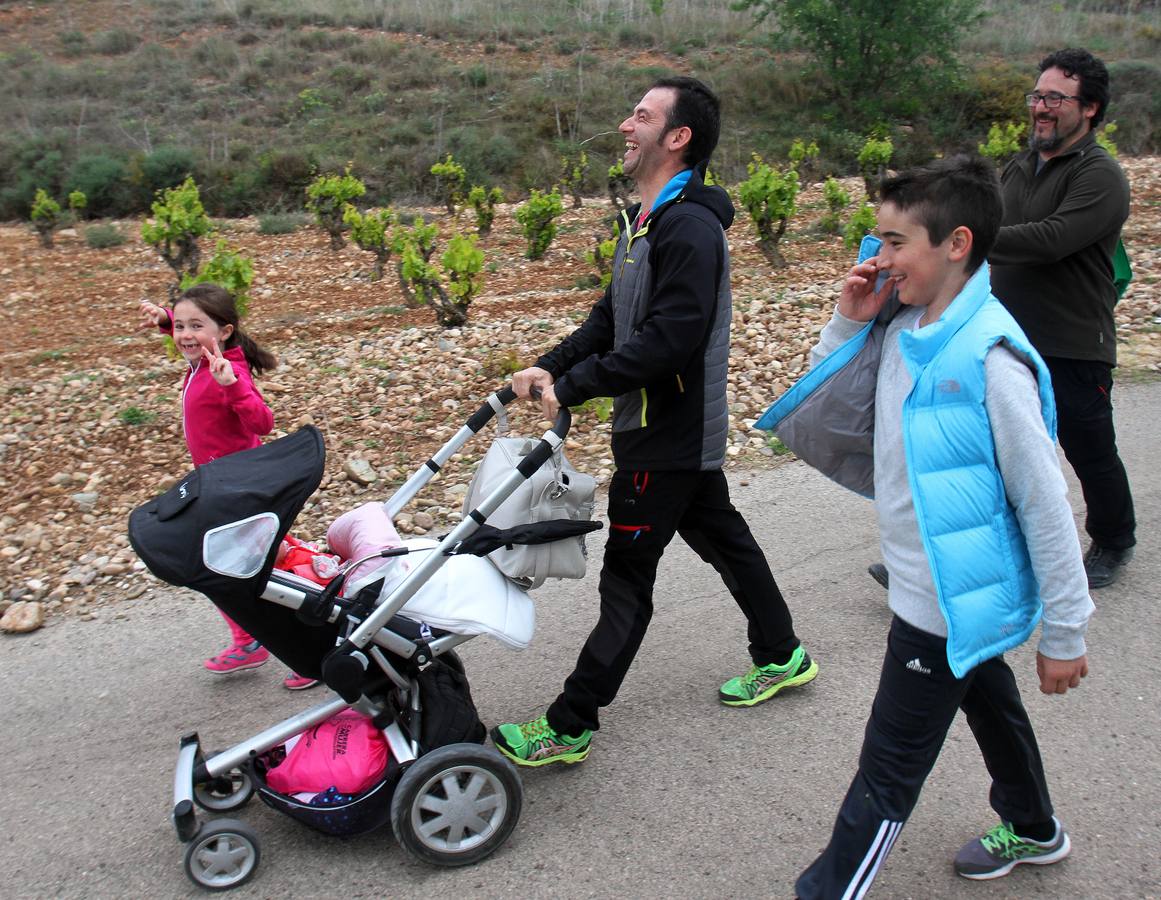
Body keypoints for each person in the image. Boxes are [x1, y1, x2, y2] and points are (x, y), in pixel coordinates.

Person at [759, 157, 1093, 896]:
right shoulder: (904, 324)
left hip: (938, 603)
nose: (879, 258)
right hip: (938, 585)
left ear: (956, 243)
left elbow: (1046, 501)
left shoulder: (990, 359)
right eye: (877, 239)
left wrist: (1066, 631)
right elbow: (828, 401)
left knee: (886, 773)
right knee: (987, 697)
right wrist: (849, 318)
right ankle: (1034, 827)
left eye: (895, 242)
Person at [490, 76, 817, 768]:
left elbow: (670, 341)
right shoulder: (644, 222)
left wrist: (575, 387)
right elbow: (610, 320)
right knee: (726, 541)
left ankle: (570, 723)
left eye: (640, 116)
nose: (624, 126)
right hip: (665, 429)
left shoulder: (688, 228)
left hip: (667, 432)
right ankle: (782, 653)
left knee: (627, 581)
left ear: (677, 137)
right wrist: (549, 366)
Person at [990, 47, 1135, 589]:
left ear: (1090, 108)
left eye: (1055, 98)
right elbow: (988, 217)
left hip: (1073, 340)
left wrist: (967, 239)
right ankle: (967, 553)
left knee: (1089, 451)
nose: (1041, 108)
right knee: (994, 449)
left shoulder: (1101, 175)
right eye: (1037, 96)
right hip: (1007, 336)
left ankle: (1114, 539)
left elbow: (1052, 240)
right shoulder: (1018, 166)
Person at [138, 284, 318, 691]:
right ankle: (255, 639)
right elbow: (191, 332)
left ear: (224, 332)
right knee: (237, 566)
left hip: (240, 493)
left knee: (255, 569)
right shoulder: (204, 359)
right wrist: (166, 320)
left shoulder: (226, 370)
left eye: (195, 326)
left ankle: (312, 650)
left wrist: (231, 386)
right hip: (220, 489)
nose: (185, 335)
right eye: (180, 326)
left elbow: (263, 423)